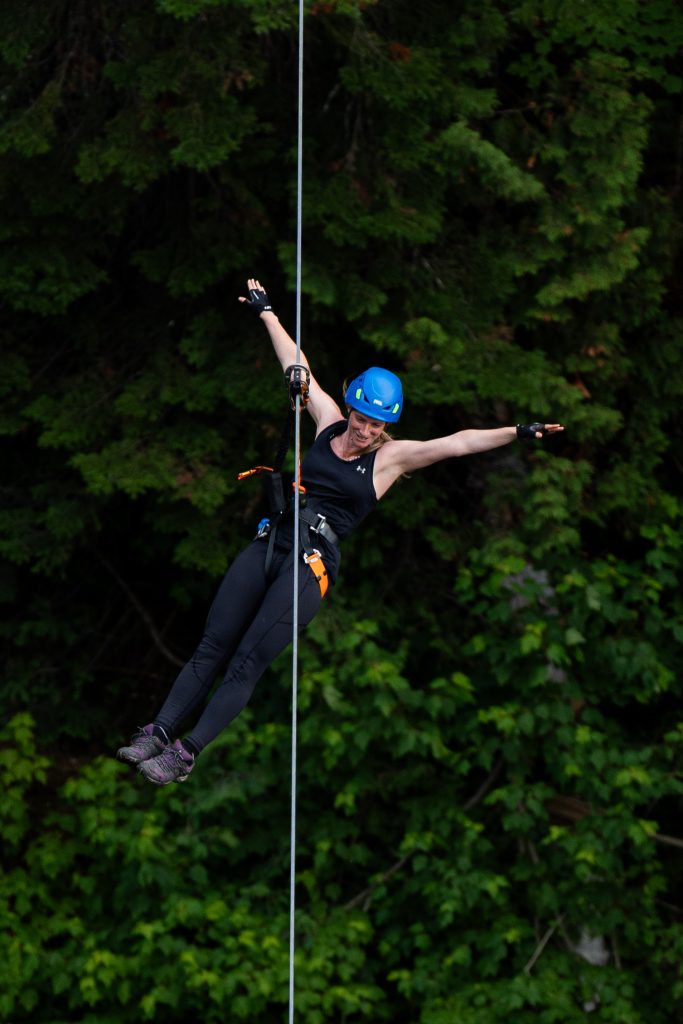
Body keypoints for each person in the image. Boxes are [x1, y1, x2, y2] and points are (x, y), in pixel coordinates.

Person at [116, 278, 564, 784]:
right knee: (212, 644)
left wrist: (520, 431)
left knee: (245, 662)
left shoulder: (390, 460)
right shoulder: (328, 421)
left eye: (376, 424)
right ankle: (157, 731)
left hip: (310, 566)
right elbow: (297, 366)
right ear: (350, 406)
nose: (366, 430)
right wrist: (266, 313)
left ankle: (184, 753)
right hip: (273, 541)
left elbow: (456, 443)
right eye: (361, 417)